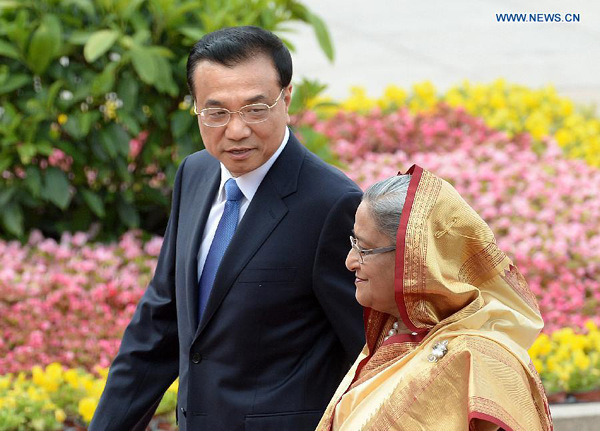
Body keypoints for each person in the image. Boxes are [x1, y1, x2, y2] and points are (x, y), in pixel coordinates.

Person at [89, 26, 364, 431]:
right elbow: (159, 325)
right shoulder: (195, 174)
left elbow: (368, 352)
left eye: (255, 109)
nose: (236, 130)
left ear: (286, 99)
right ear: (196, 108)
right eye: (216, 113)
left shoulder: (332, 204)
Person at [316, 165, 553, 431]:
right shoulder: (394, 332)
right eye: (353, 243)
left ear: (415, 259)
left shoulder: (476, 358)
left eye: (365, 249)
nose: (349, 262)